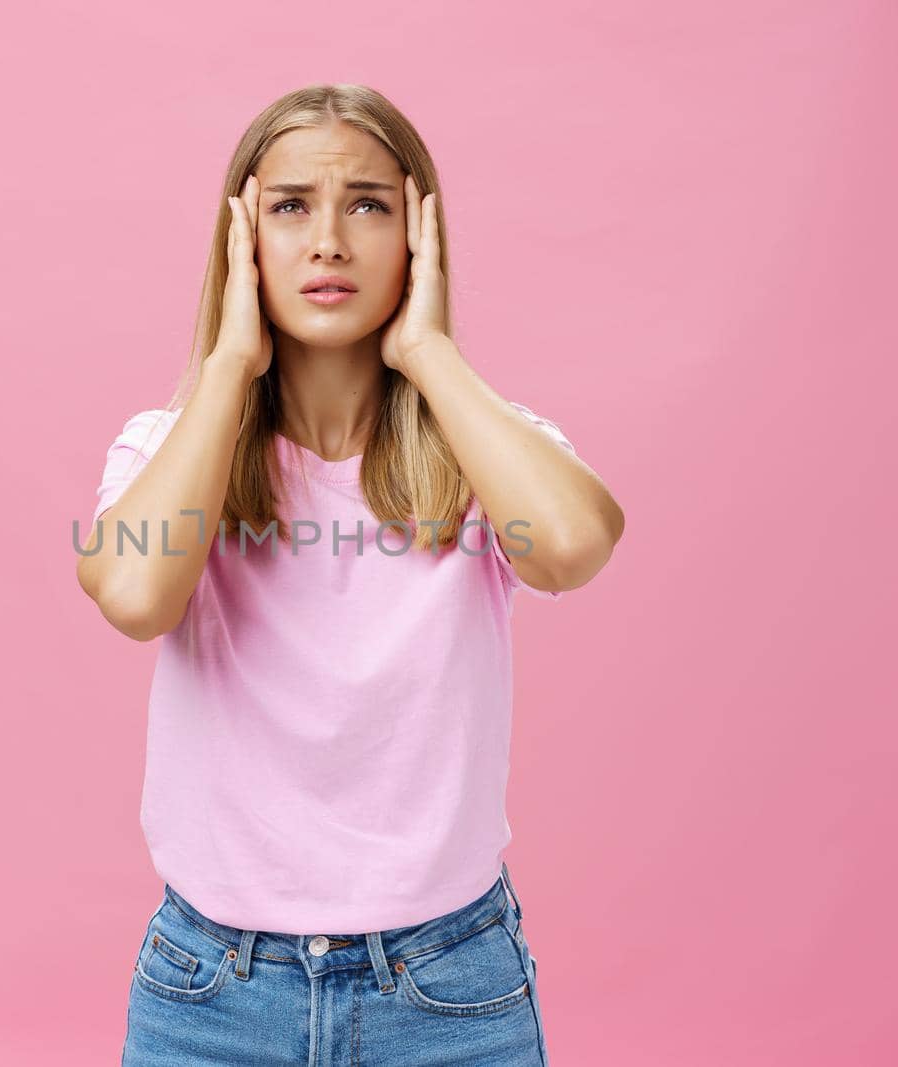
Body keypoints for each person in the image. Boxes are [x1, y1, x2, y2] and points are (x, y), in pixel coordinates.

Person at [76, 83, 624, 1066]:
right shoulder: (165, 447)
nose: (328, 240)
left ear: (418, 233)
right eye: (290, 205)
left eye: (367, 204)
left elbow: (576, 545)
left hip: (448, 987)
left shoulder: (482, 452)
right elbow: (134, 593)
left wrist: (429, 350)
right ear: (241, 239)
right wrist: (227, 367)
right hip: (210, 988)